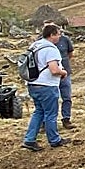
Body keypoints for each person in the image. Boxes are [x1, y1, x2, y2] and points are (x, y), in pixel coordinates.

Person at [22, 23, 70, 151]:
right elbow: (54, 69)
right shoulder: (50, 49)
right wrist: (63, 72)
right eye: (58, 34)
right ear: (52, 35)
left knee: (39, 111)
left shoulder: (35, 45)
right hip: (47, 85)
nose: (60, 36)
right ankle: (54, 140)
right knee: (50, 113)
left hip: (33, 84)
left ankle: (29, 139)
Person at [56, 29, 75, 130]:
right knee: (52, 99)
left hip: (65, 73)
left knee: (67, 97)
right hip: (51, 75)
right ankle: (47, 122)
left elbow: (70, 53)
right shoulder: (41, 41)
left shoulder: (65, 40)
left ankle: (66, 119)